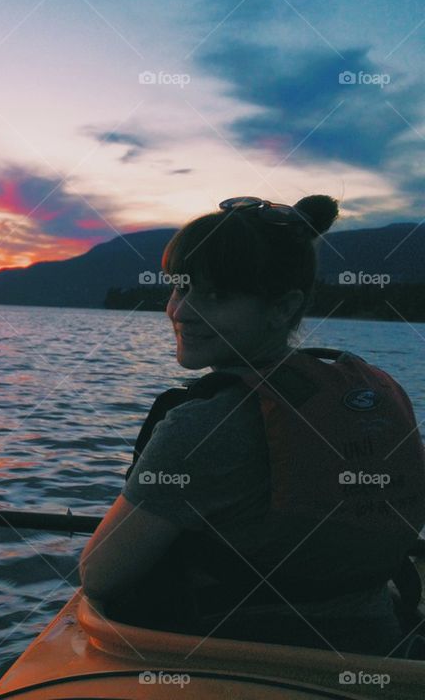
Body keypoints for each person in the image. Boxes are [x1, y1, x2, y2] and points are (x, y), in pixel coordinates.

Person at [79, 194, 425, 657]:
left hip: (241, 662)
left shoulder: (202, 426)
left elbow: (100, 574)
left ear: (283, 308)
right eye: (180, 288)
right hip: (378, 643)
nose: (180, 311)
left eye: (216, 296)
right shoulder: (371, 395)